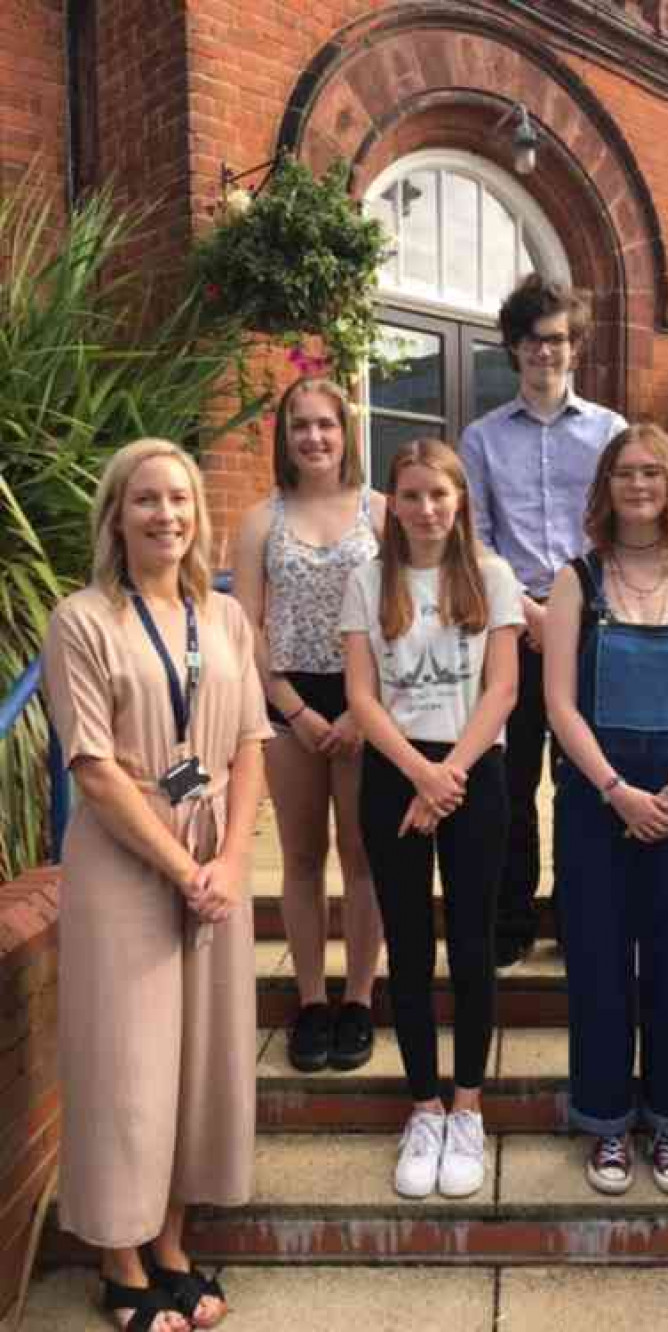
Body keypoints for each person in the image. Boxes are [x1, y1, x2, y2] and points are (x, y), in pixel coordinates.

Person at [42, 439, 270, 1332]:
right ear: (117, 515)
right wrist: (183, 870)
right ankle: (119, 1258)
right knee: (126, 1061)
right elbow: (93, 769)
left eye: (178, 499)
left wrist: (230, 865)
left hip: (214, 862)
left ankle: (172, 1240)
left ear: (197, 514)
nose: (165, 515)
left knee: (201, 1058)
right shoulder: (82, 620)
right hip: (127, 865)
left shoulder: (224, 622)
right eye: (146, 500)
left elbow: (250, 742)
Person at [545, 423, 668, 1194]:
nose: (638, 486)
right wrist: (618, 792)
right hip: (597, 801)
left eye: (651, 474)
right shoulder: (576, 582)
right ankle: (604, 1124)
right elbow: (559, 705)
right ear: (606, 486)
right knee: (596, 963)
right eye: (624, 473)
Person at [342, 439, 523, 1199]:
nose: (424, 510)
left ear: (459, 502)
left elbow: (505, 688)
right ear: (394, 502)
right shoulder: (367, 578)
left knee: (473, 946)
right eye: (411, 496)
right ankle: (424, 1105)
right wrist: (420, 774)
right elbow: (360, 696)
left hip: (475, 772)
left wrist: (448, 776)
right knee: (410, 947)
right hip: (394, 774)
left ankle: (469, 1107)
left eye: (438, 496)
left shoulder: (492, 576)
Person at [460, 274, 627, 966]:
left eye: (556, 339)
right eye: (531, 340)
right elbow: (473, 536)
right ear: (513, 348)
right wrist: (529, 613)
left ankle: (582, 913)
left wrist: (576, 609)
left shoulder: (612, 431)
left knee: (586, 777)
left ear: (575, 345)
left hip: (596, 626)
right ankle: (511, 917)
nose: (544, 352)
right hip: (516, 626)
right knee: (514, 777)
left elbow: (623, 524)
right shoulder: (482, 438)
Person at [234, 376, 385, 1073]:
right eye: (301, 425)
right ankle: (311, 1000)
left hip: (365, 703)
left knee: (362, 858)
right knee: (301, 857)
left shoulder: (380, 513)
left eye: (326, 423)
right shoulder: (262, 521)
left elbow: (403, 618)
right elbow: (248, 626)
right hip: (288, 700)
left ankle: (358, 998)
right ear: (285, 436)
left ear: (345, 431)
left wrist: (361, 710)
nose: (315, 436)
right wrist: (290, 706)